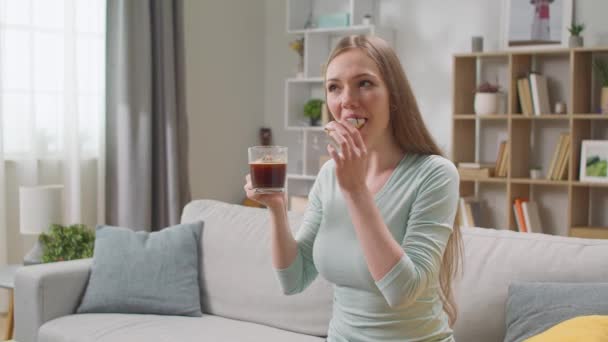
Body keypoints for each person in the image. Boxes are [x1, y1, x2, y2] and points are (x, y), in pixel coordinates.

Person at [244, 35, 462, 342]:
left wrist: (356, 191)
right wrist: (277, 208)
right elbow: (293, 280)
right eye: (334, 87)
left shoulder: (435, 175)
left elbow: (403, 291)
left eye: (364, 83)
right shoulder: (330, 175)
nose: (346, 100)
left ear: (394, 95)